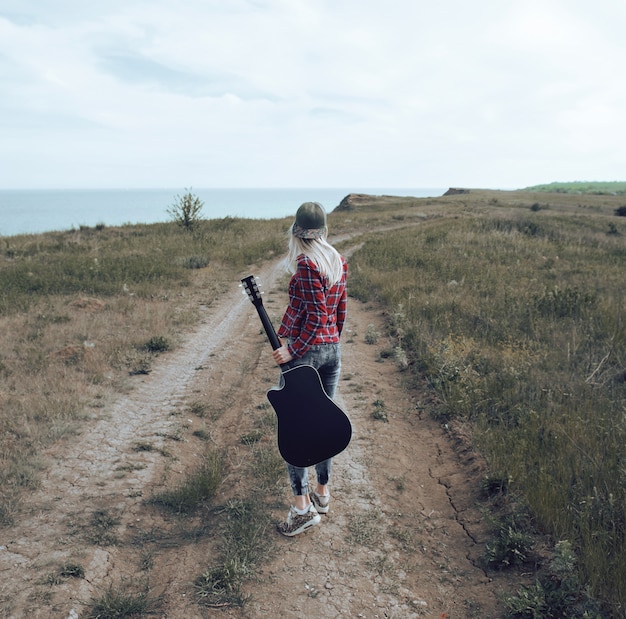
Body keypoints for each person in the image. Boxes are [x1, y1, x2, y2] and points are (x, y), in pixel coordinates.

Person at [271, 202, 348, 537]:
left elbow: (314, 318)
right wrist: (331, 344)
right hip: (332, 351)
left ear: (295, 231)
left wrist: (294, 351)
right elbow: (338, 313)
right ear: (324, 230)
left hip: (309, 355)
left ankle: (302, 510)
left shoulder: (306, 263)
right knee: (322, 423)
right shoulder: (336, 260)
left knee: (297, 429)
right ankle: (322, 493)